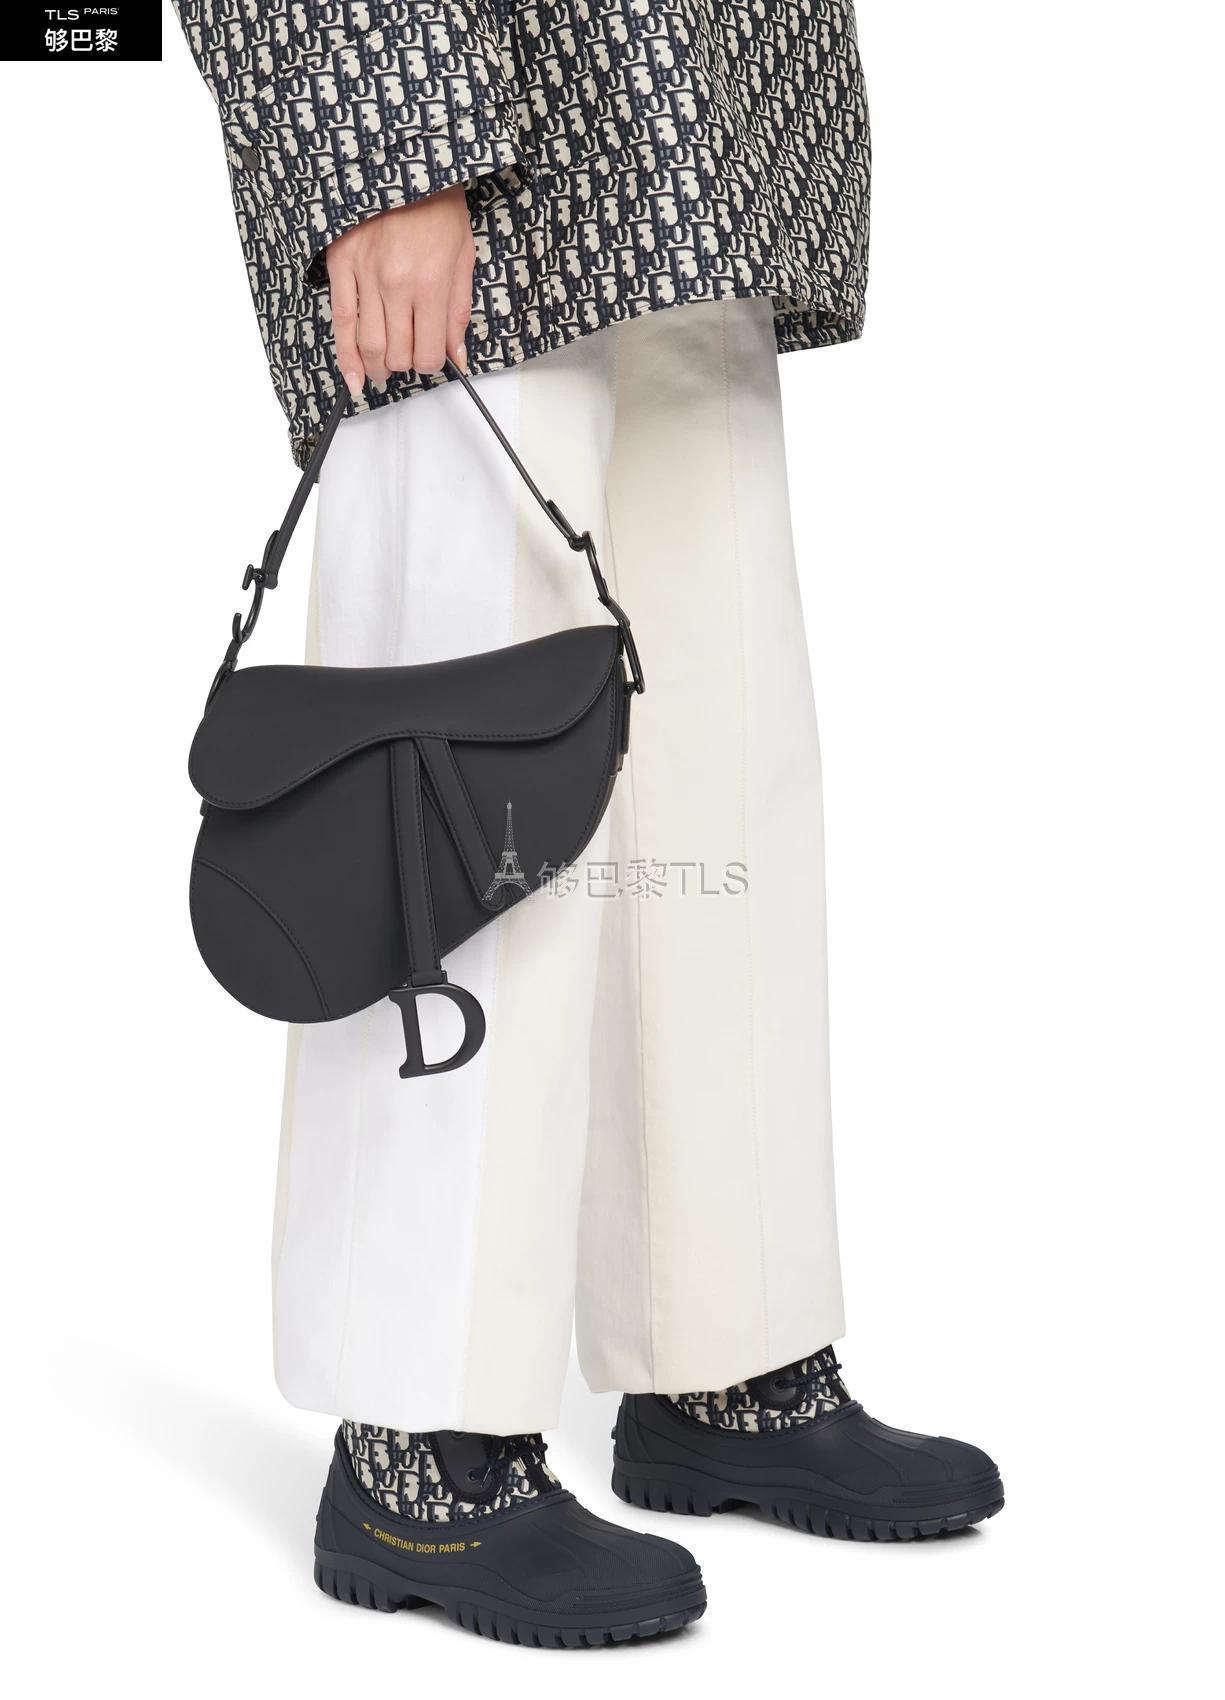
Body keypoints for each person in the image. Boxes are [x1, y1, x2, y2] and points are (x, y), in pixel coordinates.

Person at [175, 0, 1003, 1646]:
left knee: (718, 764)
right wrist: (384, 142)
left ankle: (724, 1356)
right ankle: (415, 1436)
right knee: (452, 801)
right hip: (461, 104)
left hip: (691, 113)